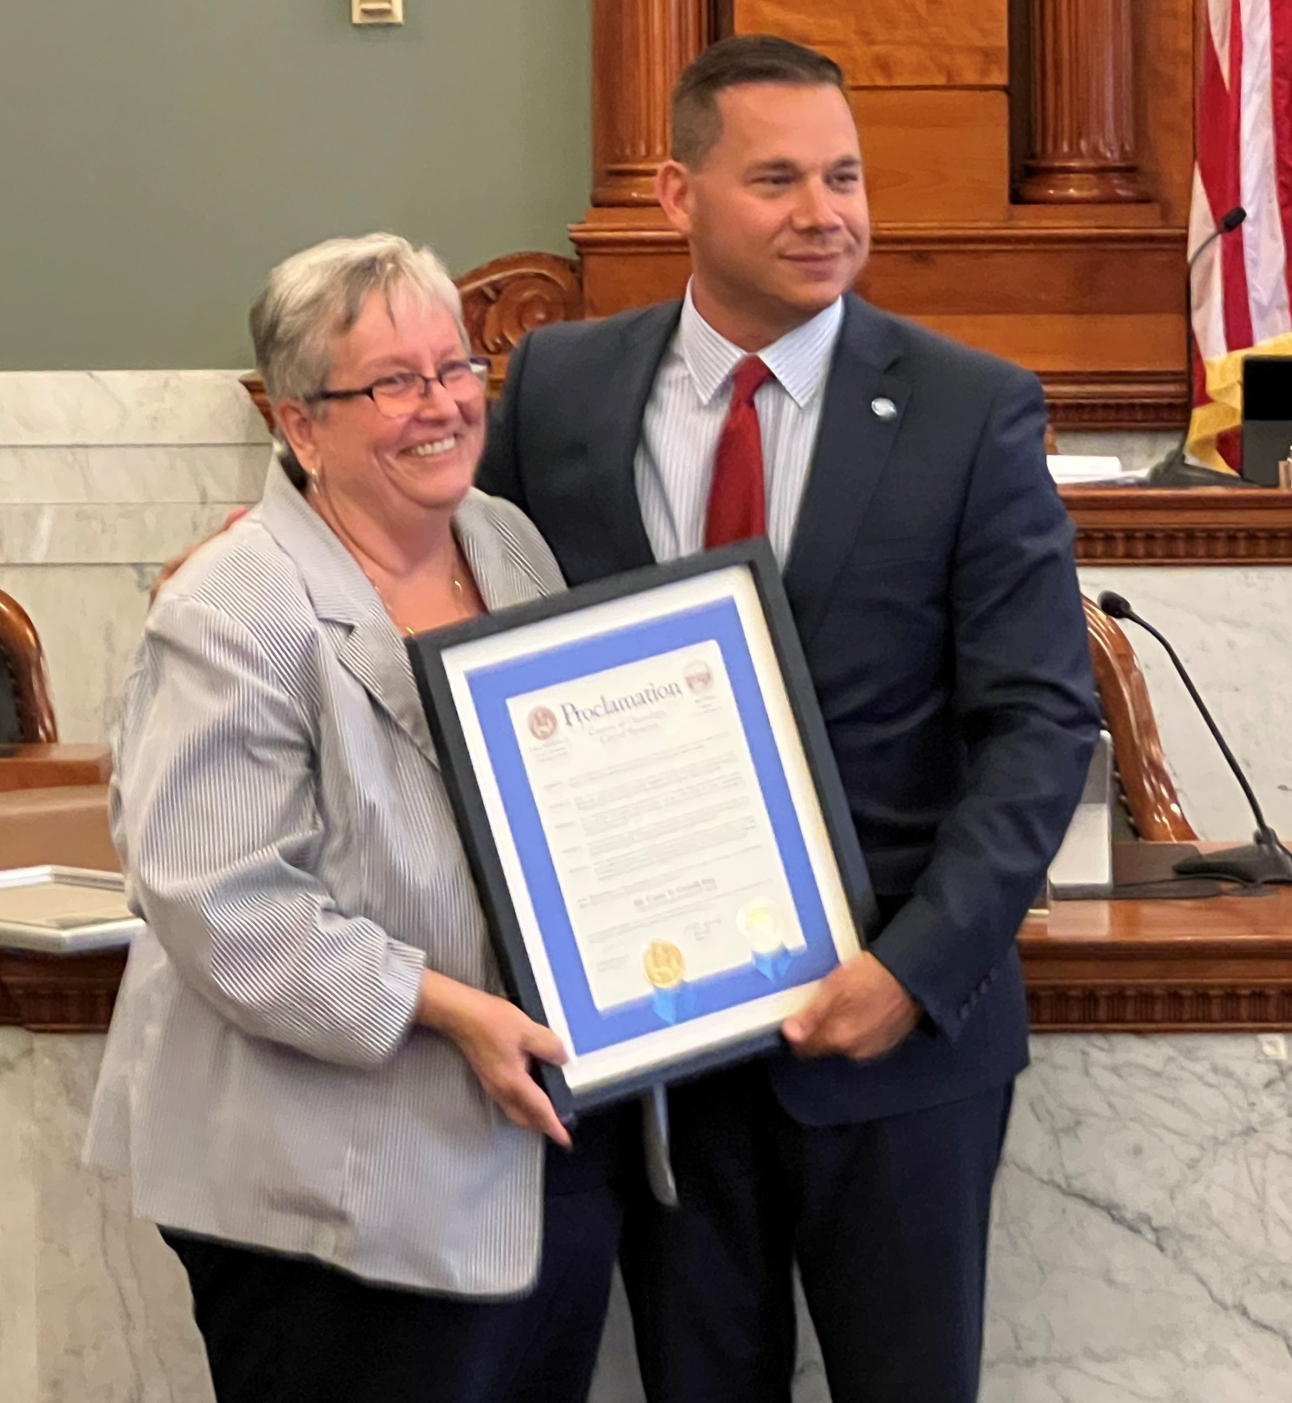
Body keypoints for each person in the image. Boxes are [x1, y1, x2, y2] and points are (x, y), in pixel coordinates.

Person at [476, 34, 1101, 1403]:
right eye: (777, 178)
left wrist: (913, 969)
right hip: (657, 1045)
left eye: (845, 175)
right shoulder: (563, 387)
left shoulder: (970, 406)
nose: (827, 213)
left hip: (901, 1030)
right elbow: (467, 619)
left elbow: (1042, 721)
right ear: (675, 191)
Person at [84, 233, 632, 1403]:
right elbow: (224, 908)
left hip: (530, 1146)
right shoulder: (231, 605)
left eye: (455, 367)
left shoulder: (506, 542)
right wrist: (448, 1007)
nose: (438, 406)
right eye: (391, 382)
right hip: (327, 1187)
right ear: (299, 424)